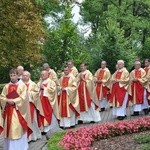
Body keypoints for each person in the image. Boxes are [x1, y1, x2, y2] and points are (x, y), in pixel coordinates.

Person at [0, 68, 32, 150]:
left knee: (16, 129)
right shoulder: (6, 86)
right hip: (8, 111)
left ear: (18, 76)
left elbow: (24, 98)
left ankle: (19, 147)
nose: (12, 77)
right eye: (11, 75)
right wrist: (7, 100)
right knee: (9, 130)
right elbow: (2, 97)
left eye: (14, 75)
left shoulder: (22, 86)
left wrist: (14, 101)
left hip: (18, 111)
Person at [22, 71, 41, 142]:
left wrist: (27, 94)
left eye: (26, 75)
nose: (24, 77)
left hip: (30, 104)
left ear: (29, 76)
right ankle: (25, 138)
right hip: (22, 106)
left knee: (33, 121)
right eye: (23, 75)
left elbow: (36, 93)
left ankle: (33, 136)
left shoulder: (33, 84)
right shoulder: (20, 84)